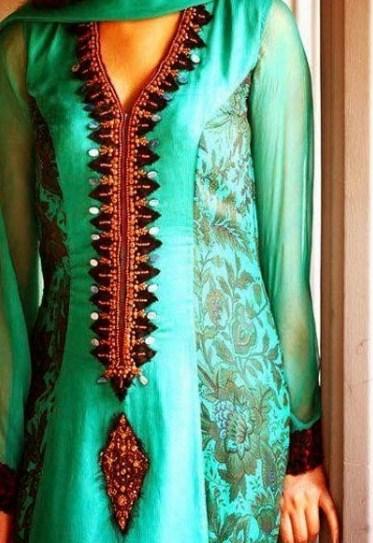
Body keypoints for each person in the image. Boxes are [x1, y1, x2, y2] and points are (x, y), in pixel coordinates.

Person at [0, 0, 340, 541]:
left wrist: (303, 454)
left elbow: (285, 271)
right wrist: (3, 475)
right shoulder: (28, 46)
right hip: (66, 426)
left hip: (226, 435)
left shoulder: (255, 29)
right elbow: (7, 296)